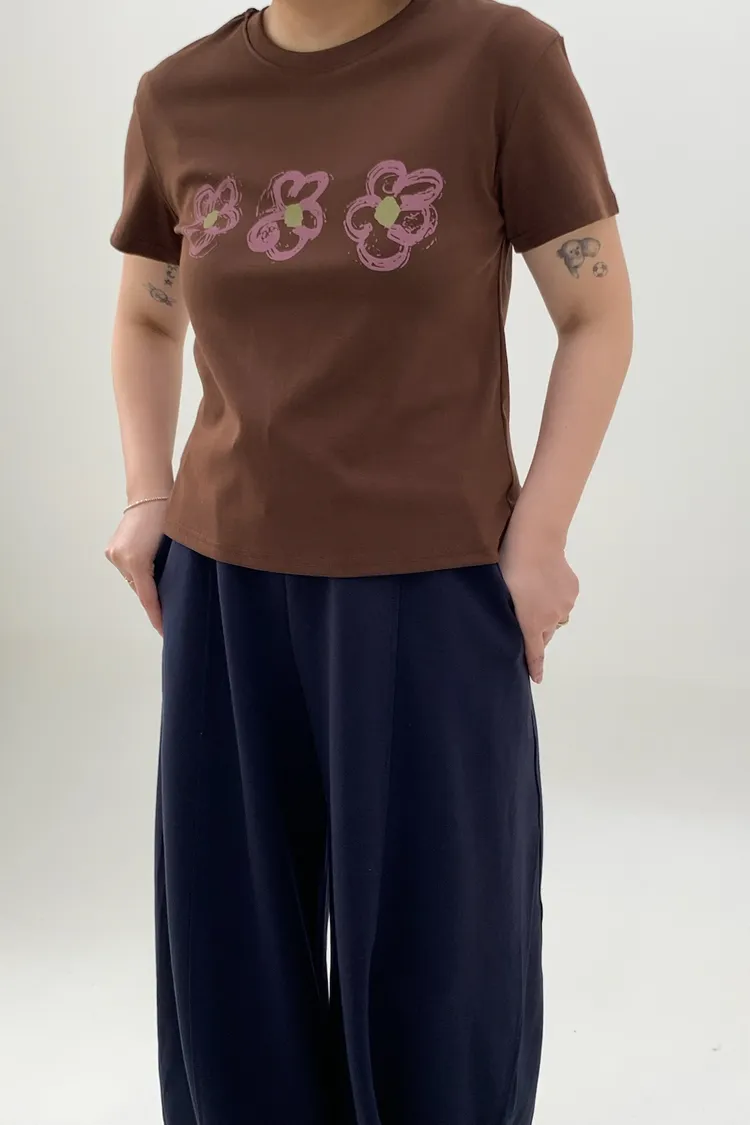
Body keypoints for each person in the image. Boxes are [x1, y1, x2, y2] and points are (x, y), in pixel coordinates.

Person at [105, 1, 632, 1123]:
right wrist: (149, 493)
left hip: (433, 584)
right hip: (223, 581)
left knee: (441, 962)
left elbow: (595, 311)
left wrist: (539, 537)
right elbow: (148, 318)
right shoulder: (178, 94)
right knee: (228, 949)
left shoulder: (501, 63)